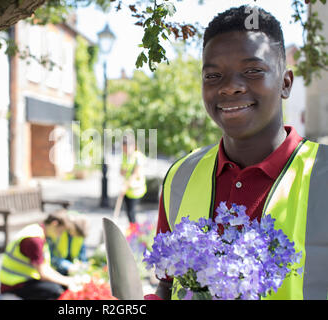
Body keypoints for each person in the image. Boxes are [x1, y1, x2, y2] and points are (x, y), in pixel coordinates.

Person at [154, 5, 328, 300]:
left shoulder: (323, 174)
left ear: (285, 83)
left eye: (252, 71)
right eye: (213, 76)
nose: (230, 87)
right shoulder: (180, 176)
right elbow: (168, 284)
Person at [0, 211, 77, 300]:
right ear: (54, 224)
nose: (60, 235)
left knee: (61, 283)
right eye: (61, 231)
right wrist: (67, 281)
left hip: (24, 279)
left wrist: (66, 280)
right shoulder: (34, 240)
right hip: (14, 284)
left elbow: (45, 267)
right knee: (55, 291)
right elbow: (43, 273)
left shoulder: (38, 231)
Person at [48, 210, 89, 275]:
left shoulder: (80, 235)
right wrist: (68, 266)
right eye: (76, 234)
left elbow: (83, 255)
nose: (76, 236)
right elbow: (51, 255)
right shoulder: (57, 231)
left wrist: (84, 265)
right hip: (56, 269)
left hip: (72, 268)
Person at [120, 136, 147, 223]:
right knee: (128, 213)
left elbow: (135, 174)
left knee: (132, 213)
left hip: (136, 190)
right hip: (128, 190)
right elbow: (122, 171)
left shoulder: (138, 157)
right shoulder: (125, 157)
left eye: (126, 148)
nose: (125, 151)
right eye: (124, 149)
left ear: (133, 146)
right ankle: (132, 230)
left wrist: (125, 186)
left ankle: (135, 233)